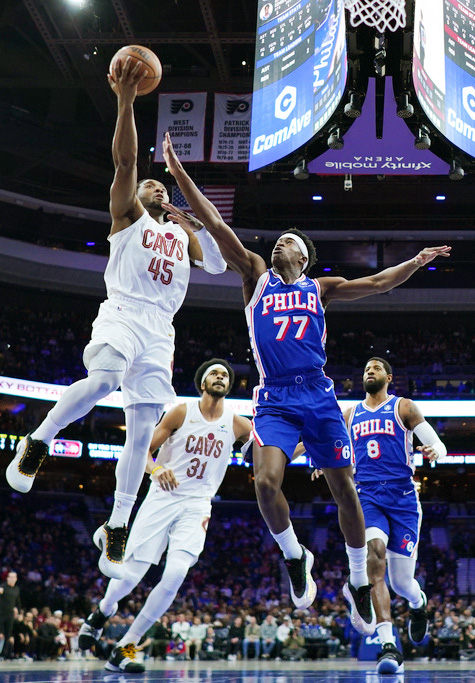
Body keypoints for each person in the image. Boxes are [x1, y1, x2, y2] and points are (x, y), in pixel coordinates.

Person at [161, 131, 451, 636]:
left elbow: (379, 282)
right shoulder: (254, 273)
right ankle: (296, 556)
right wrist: (178, 173)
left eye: (289, 242)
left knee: (345, 488)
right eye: (278, 240)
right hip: (274, 397)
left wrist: (417, 262)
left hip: (317, 394)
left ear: (304, 257)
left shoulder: (322, 288)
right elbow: (212, 219)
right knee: (266, 483)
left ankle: (359, 579)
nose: (280, 243)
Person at [5, 56, 226, 580]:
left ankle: (120, 521)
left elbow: (218, 263)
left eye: (162, 189)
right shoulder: (126, 216)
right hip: (123, 311)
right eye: (154, 187)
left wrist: (191, 218)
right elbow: (126, 163)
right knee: (103, 379)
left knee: (143, 427)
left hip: (160, 329)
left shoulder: (180, 235)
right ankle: (37, 441)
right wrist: (126, 102)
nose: (158, 189)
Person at [78, 358, 251, 673]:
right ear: (202, 382)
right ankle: (101, 612)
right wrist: (156, 468)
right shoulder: (182, 412)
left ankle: (125, 647)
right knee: (132, 573)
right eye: (214, 371)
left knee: (175, 576)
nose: (221, 376)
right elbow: (141, 450)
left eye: (225, 374)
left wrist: (312, 451)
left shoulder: (238, 423)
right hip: (163, 497)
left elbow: (269, 455)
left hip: (198, 503)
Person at [338, 357, 446, 674]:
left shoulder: (404, 407)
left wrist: (434, 451)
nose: (369, 371)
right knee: (374, 555)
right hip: (368, 495)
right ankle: (389, 647)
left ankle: (418, 602)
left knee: (402, 583)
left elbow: (436, 443)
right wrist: (323, 463)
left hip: (402, 497)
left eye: (375, 368)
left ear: (388, 377)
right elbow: (336, 451)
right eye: (365, 369)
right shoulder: (350, 415)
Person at [0, 571, 21, 659]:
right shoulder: (2, 586)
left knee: (8, 635)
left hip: (10, 615)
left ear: (16, 579)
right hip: (1, 613)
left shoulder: (16, 589)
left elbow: (18, 602)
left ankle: (5, 654)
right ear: (7, 578)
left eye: (14, 577)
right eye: (10, 577)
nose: (12, 579)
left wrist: (18, 611)